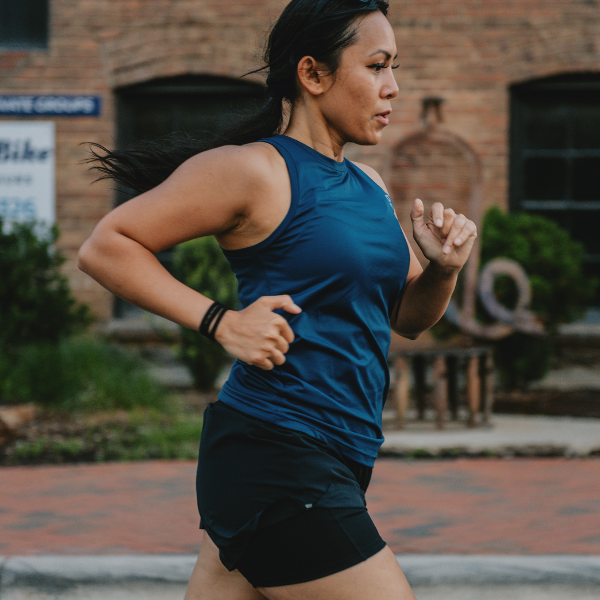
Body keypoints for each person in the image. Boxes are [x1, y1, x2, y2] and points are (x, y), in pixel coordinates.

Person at [78, 0, 477, 598]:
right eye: (376, 66)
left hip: (338, 452)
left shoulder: (368, 185)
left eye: (395, 68)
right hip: (278, 451)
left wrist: (443, 270)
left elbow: (407, 320)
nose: (392, 88)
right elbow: (107, 245)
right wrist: (220, 321)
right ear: (313, 75)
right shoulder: (255, 172)